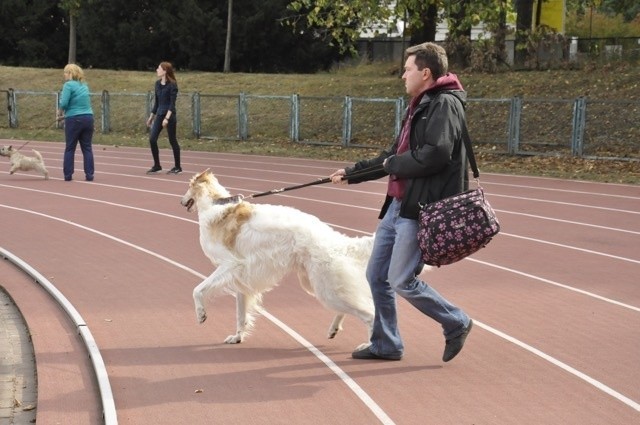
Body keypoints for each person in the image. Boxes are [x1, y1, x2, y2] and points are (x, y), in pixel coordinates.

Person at [330, 42, 473, 362]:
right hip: (398, 206)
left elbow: (437, 154)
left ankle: (456, 321)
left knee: (400, 279)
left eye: (407, 70)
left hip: (419, 208)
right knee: (376, 275)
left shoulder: (445, 104)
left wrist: (394, 165)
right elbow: (391, 157)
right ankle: (387, 343)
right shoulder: (419, 104)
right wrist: (353, 173)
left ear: (425, 72)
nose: (402, 76)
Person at [57, 63, 95, 181]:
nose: (64, 75)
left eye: (65, 72)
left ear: (69, 73)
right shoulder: (84, 85)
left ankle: (68, 175)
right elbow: (82, 104)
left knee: (70, 148)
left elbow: (64, 103)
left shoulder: (68, 85)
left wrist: (60, 112)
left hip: (74, 119)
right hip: (88, 118)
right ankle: (89, 174)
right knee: (87, 148)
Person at [146, 61, 182, 174]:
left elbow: (172, 104)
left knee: (172, 140)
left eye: (159, 68)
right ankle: (157, 165)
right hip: (159, 114)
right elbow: (157, 103)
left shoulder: (172, 85)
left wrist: (167, 118)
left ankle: (177, 166)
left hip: (169, 116)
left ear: (165, 71)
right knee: (152, 139)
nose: (157, 70)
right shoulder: (157, 84)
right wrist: (151, 116)